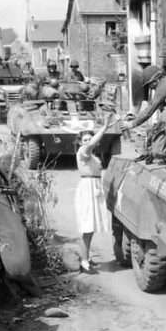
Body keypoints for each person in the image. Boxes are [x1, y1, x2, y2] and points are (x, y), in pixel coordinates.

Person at [74, 114, 114, 273]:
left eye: (89, 139)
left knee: (91, 228)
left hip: (93, 187)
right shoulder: (83, 152)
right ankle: (84, 261)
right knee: (87, 228)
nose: (87, 142)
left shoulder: (92, 156)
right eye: (84, 140)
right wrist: (104, 127)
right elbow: (90, 145)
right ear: (80, 142)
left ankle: (86, 257)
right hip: (88, 188)